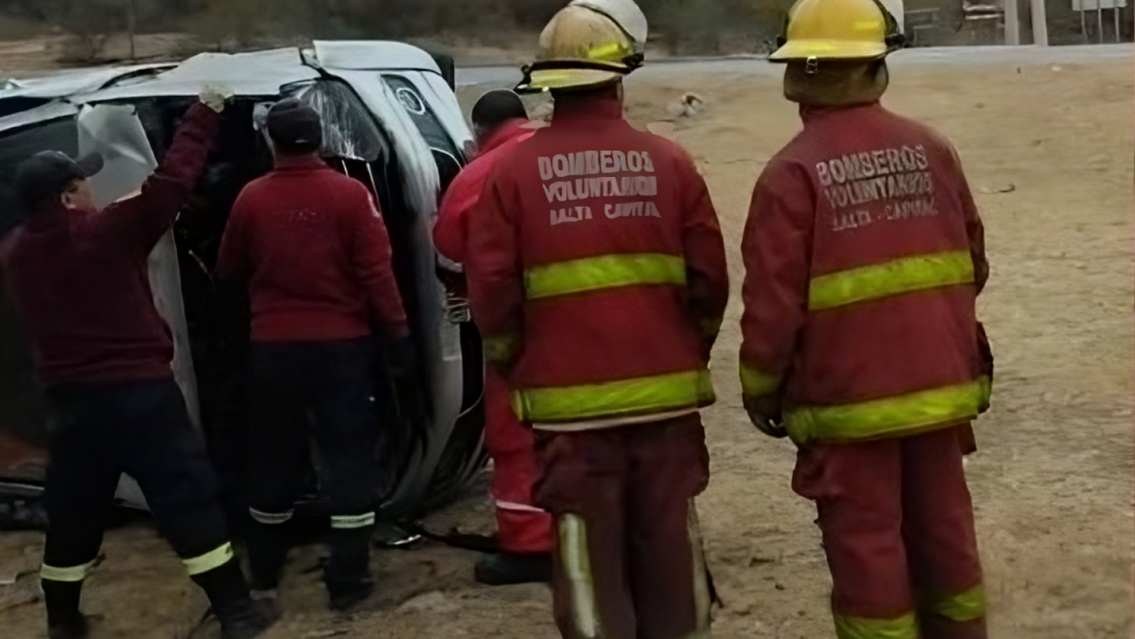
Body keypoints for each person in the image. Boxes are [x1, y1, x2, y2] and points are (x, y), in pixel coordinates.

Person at [466, 1, 729, 636]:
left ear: (548, 83)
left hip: (568, 414)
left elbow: (493, 296)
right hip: (665, 406)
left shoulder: (509, 174)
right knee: (669, 546)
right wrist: (681, 348)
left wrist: (517, 362)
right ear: (619, 77)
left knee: (587, 560)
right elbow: (709, 283)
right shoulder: (672, 163)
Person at [738, 1, 991, 637]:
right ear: (877, 65)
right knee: (946, 535)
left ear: (798, 73)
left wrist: (761, 387)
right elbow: (973, 262)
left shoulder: (790, 173)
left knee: (867, 548)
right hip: (939, 391)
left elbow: (774, 305)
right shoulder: (933, 148)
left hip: (848, 404)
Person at [0, 94, 276, 639]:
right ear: (67, 196)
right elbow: (172, 186)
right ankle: (237, 612)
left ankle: (62, 619)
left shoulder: (16, 251)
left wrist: (116, 213)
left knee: (75, 508)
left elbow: (95, 229)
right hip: (139, 397)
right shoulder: (104, 235)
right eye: (83, 184)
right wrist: (204, 114)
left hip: (71, 406)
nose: (92, 188)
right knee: (184, 496)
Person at [215, 98, 410, 612]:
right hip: (341, 350)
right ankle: (348, 582)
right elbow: (377, 274)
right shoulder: (351, 195)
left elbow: (228, 271)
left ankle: (264, 577)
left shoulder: (250, 199)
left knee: (274, 459)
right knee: (348, 463)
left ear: (271, 142)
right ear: (320, 139)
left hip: (273, 352)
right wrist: (399, 338)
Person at [433, 89, 555, 586]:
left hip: (519, 328)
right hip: (596, 325)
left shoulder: (478, 175)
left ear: (479, 132)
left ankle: (530, 547)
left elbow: (448, 254)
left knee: (515, 437)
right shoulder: (563, 153)